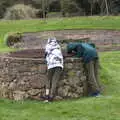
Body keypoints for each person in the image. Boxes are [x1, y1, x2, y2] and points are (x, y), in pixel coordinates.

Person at [44, 37, 63, 102]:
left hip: (51, 64)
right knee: (54, 81)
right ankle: (51, 97)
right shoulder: (58, 46)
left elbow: (46, 54)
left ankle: (46, 96)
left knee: (48, 79)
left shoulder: (48, 45)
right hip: (59, 64)